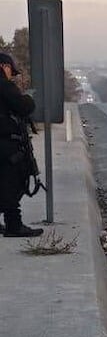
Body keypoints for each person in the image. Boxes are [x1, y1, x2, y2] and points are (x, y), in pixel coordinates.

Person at [0, 53, 42, 237]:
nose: (11, 75)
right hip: (5, 144)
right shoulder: (3, 85)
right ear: (4, 66)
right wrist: (29, 99)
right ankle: (13, 225)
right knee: (11, 184)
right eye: (10, 70)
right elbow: (23, 106)